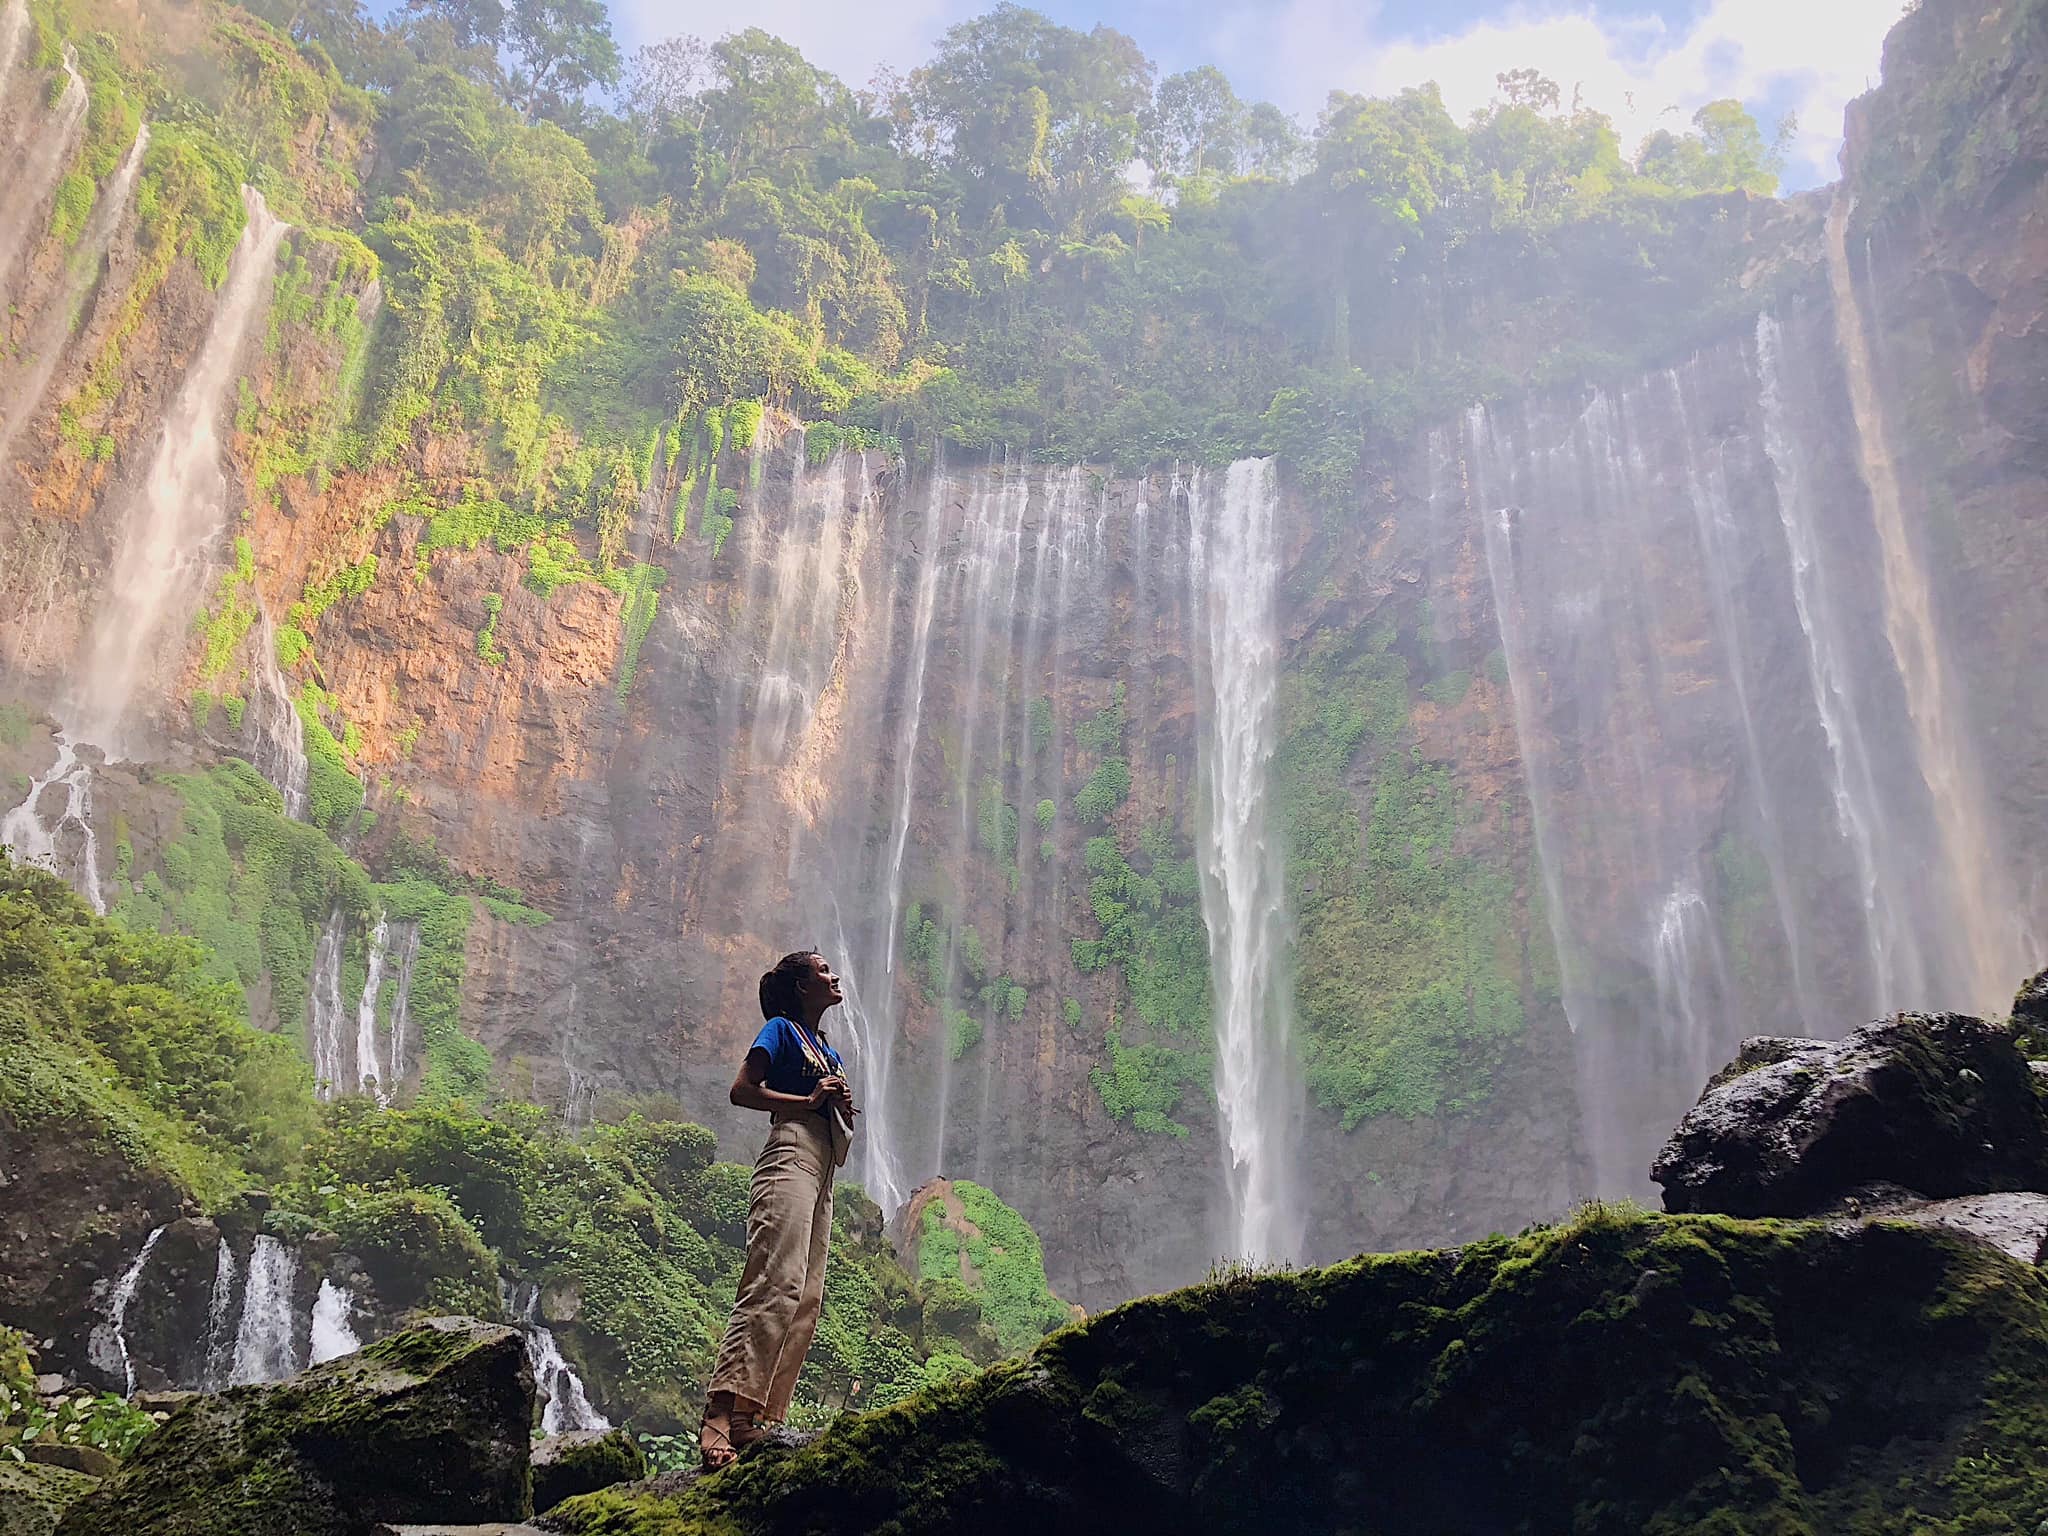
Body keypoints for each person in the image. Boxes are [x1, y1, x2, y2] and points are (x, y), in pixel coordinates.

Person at [699, 950, 857, 1469]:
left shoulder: (825, 1048)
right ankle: (719, 1414)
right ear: (799, 987)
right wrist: (809, 1101)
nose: (834, 977)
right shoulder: (781, 1031)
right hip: (790, 1152)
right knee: (774, 1280)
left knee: (805, 1295)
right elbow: (742, 1090)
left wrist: (833, 1101)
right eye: (823, 972)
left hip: (824, 1166)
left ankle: (753, 1416)